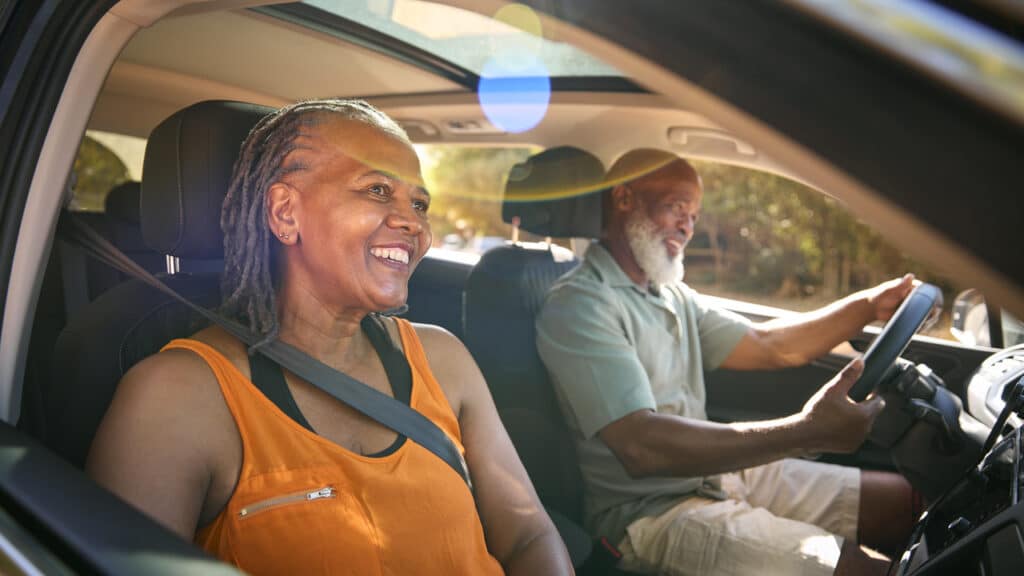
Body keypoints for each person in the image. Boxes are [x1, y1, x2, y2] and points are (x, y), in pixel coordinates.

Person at [88, 99, 573, 575]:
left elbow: (529, 533)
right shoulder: (179, 397)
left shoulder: (442, 357)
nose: (414, 223)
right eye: (378, 190)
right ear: (284, 213)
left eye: (419, 202)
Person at [535, 148, 920, 576]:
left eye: (695, 216)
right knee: (858, 570)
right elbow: (641, 445)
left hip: (714, 476)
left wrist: (868, 306)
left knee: (903, 502)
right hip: (648, 514)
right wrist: (805, 433)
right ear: (624, 200)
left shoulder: (670, 294)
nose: (687, 225)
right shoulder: (581, 304)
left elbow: (769, 343)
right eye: (677, 207)